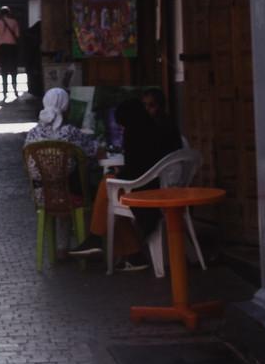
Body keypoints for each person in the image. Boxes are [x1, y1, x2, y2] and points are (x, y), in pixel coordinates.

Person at [71, 87, 184, 268]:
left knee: (108, 187)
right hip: (163, 185)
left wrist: (119, 174)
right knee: (111, 192)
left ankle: (97, 238)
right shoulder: (166, 128)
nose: (148, 110)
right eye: (144, 106)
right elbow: (144, 166)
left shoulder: (142, 133)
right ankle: (132, 255)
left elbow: (137, 170)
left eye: (151, 105)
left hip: (152, 190)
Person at [23, 86, 100, 208]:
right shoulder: (70, 132)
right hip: (70, 194)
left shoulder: (33, 133)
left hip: (41, 196)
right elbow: (93, 150)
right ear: (66, 107)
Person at [0, 7, 22, 100]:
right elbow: (17, 35)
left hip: (2, 48)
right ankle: (15, 89)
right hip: (12, 47)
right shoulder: (14, 22)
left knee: (4, 70)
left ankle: (4, 91)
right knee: (13, 70)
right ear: (9, 13)